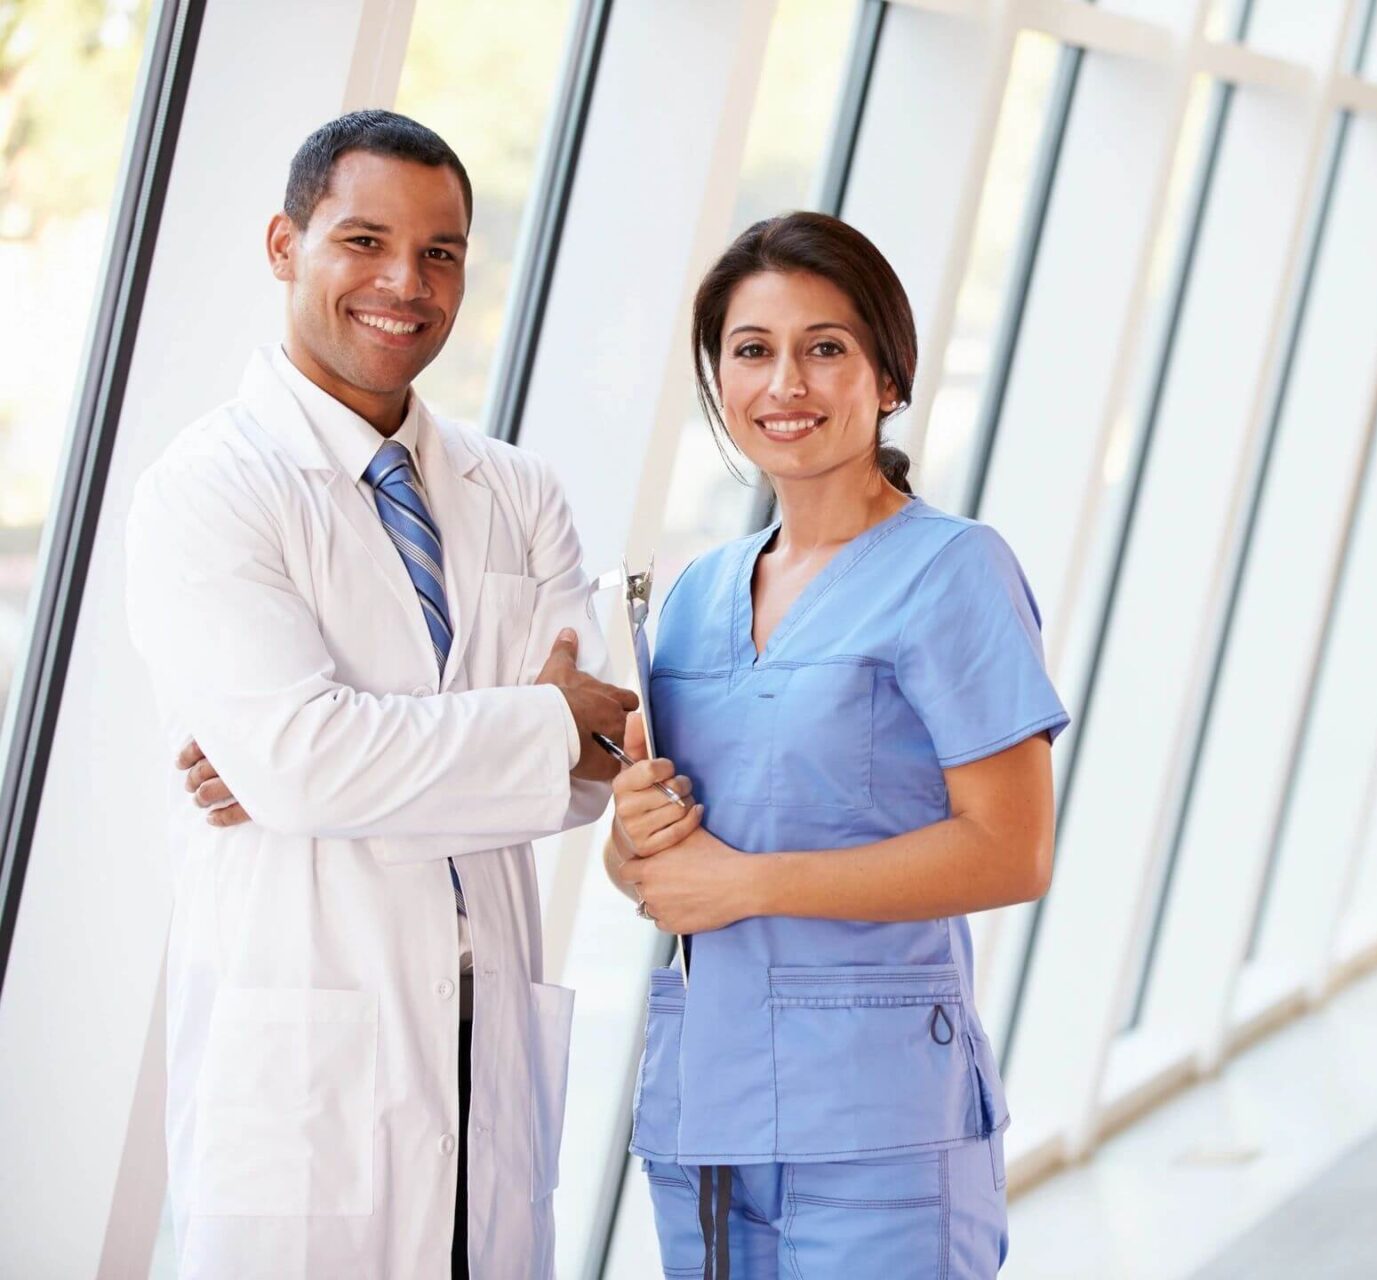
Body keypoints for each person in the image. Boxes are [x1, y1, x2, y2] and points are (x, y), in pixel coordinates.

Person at [123, 110, 635, 1279]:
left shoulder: (517, 489)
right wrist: (537, 722)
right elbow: (313, 759)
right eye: (364, 241)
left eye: (442, 252)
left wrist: (335, 764)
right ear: (283, 245)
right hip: (312, 1057)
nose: (406, 283)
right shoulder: (210, 490)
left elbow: (589, 773)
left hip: (482, 1033)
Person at [605, 211, 1068, 1278]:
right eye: (752, 351)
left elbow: (1012, 849)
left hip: (878, 1125)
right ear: (719, 380)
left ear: (889, 376)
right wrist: (635, 845)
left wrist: (750, 884)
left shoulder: (953, 572)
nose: (787, 384)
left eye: (826, 348)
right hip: (707, 1110)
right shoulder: (697, 595)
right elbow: (660, 868)